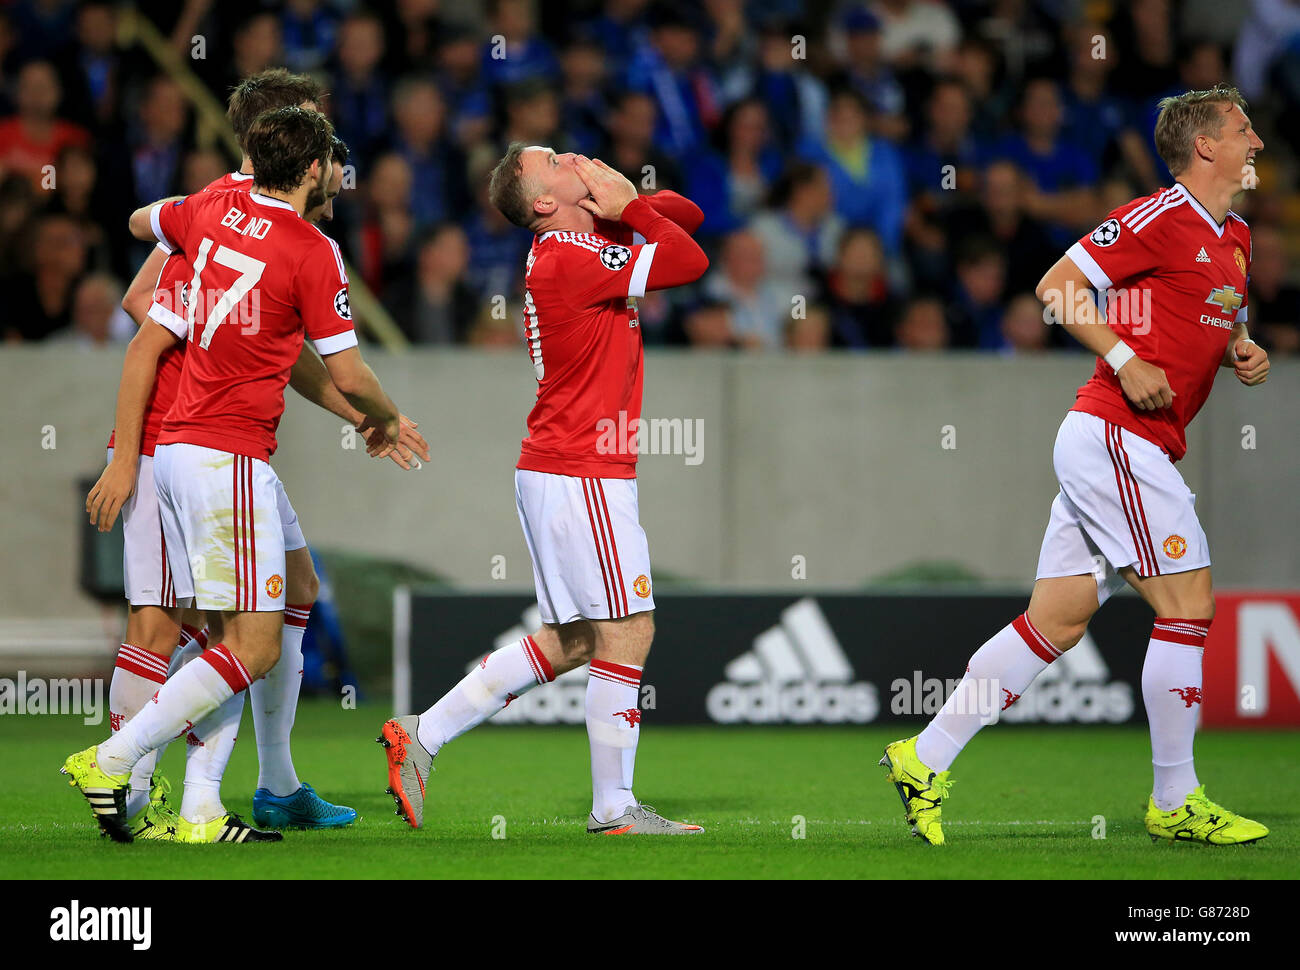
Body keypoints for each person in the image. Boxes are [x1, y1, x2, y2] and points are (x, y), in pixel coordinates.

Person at [881, 85, 1271, 846]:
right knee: (1188, 604)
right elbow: (1056, 288)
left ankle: (921, 758)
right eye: (1243, 128)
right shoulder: (1161, 215)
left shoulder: (1238, 237)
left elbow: (1217, 312)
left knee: (1054, 622)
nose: (1257, 141)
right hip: (1117, 435)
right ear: (1205, 147)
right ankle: (1175, 800)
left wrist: (1239, 348)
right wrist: (1124, 358)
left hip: (1127, 444)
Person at [63, 107, 410, 845]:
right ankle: (118, 763)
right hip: (220, 452)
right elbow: (345, 365)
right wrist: (387, 415)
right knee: (238, 642)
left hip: (194, 447)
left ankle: (213, 805)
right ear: (312, 163)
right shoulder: (310, 248)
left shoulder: (211, 210)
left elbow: (140, 229)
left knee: (260, 616)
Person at [379, 145, 709, 835]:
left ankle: (423, 735)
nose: (573, 157)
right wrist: (628, 205)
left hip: (566, 470)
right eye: (556, 160)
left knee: (575, 642)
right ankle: (614, 809)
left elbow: (688, 218)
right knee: (629, 630)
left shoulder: (590, 243)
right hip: (581, 470)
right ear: (541, 203)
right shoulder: (566, 258)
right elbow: (688, 259)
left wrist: (622, 199)